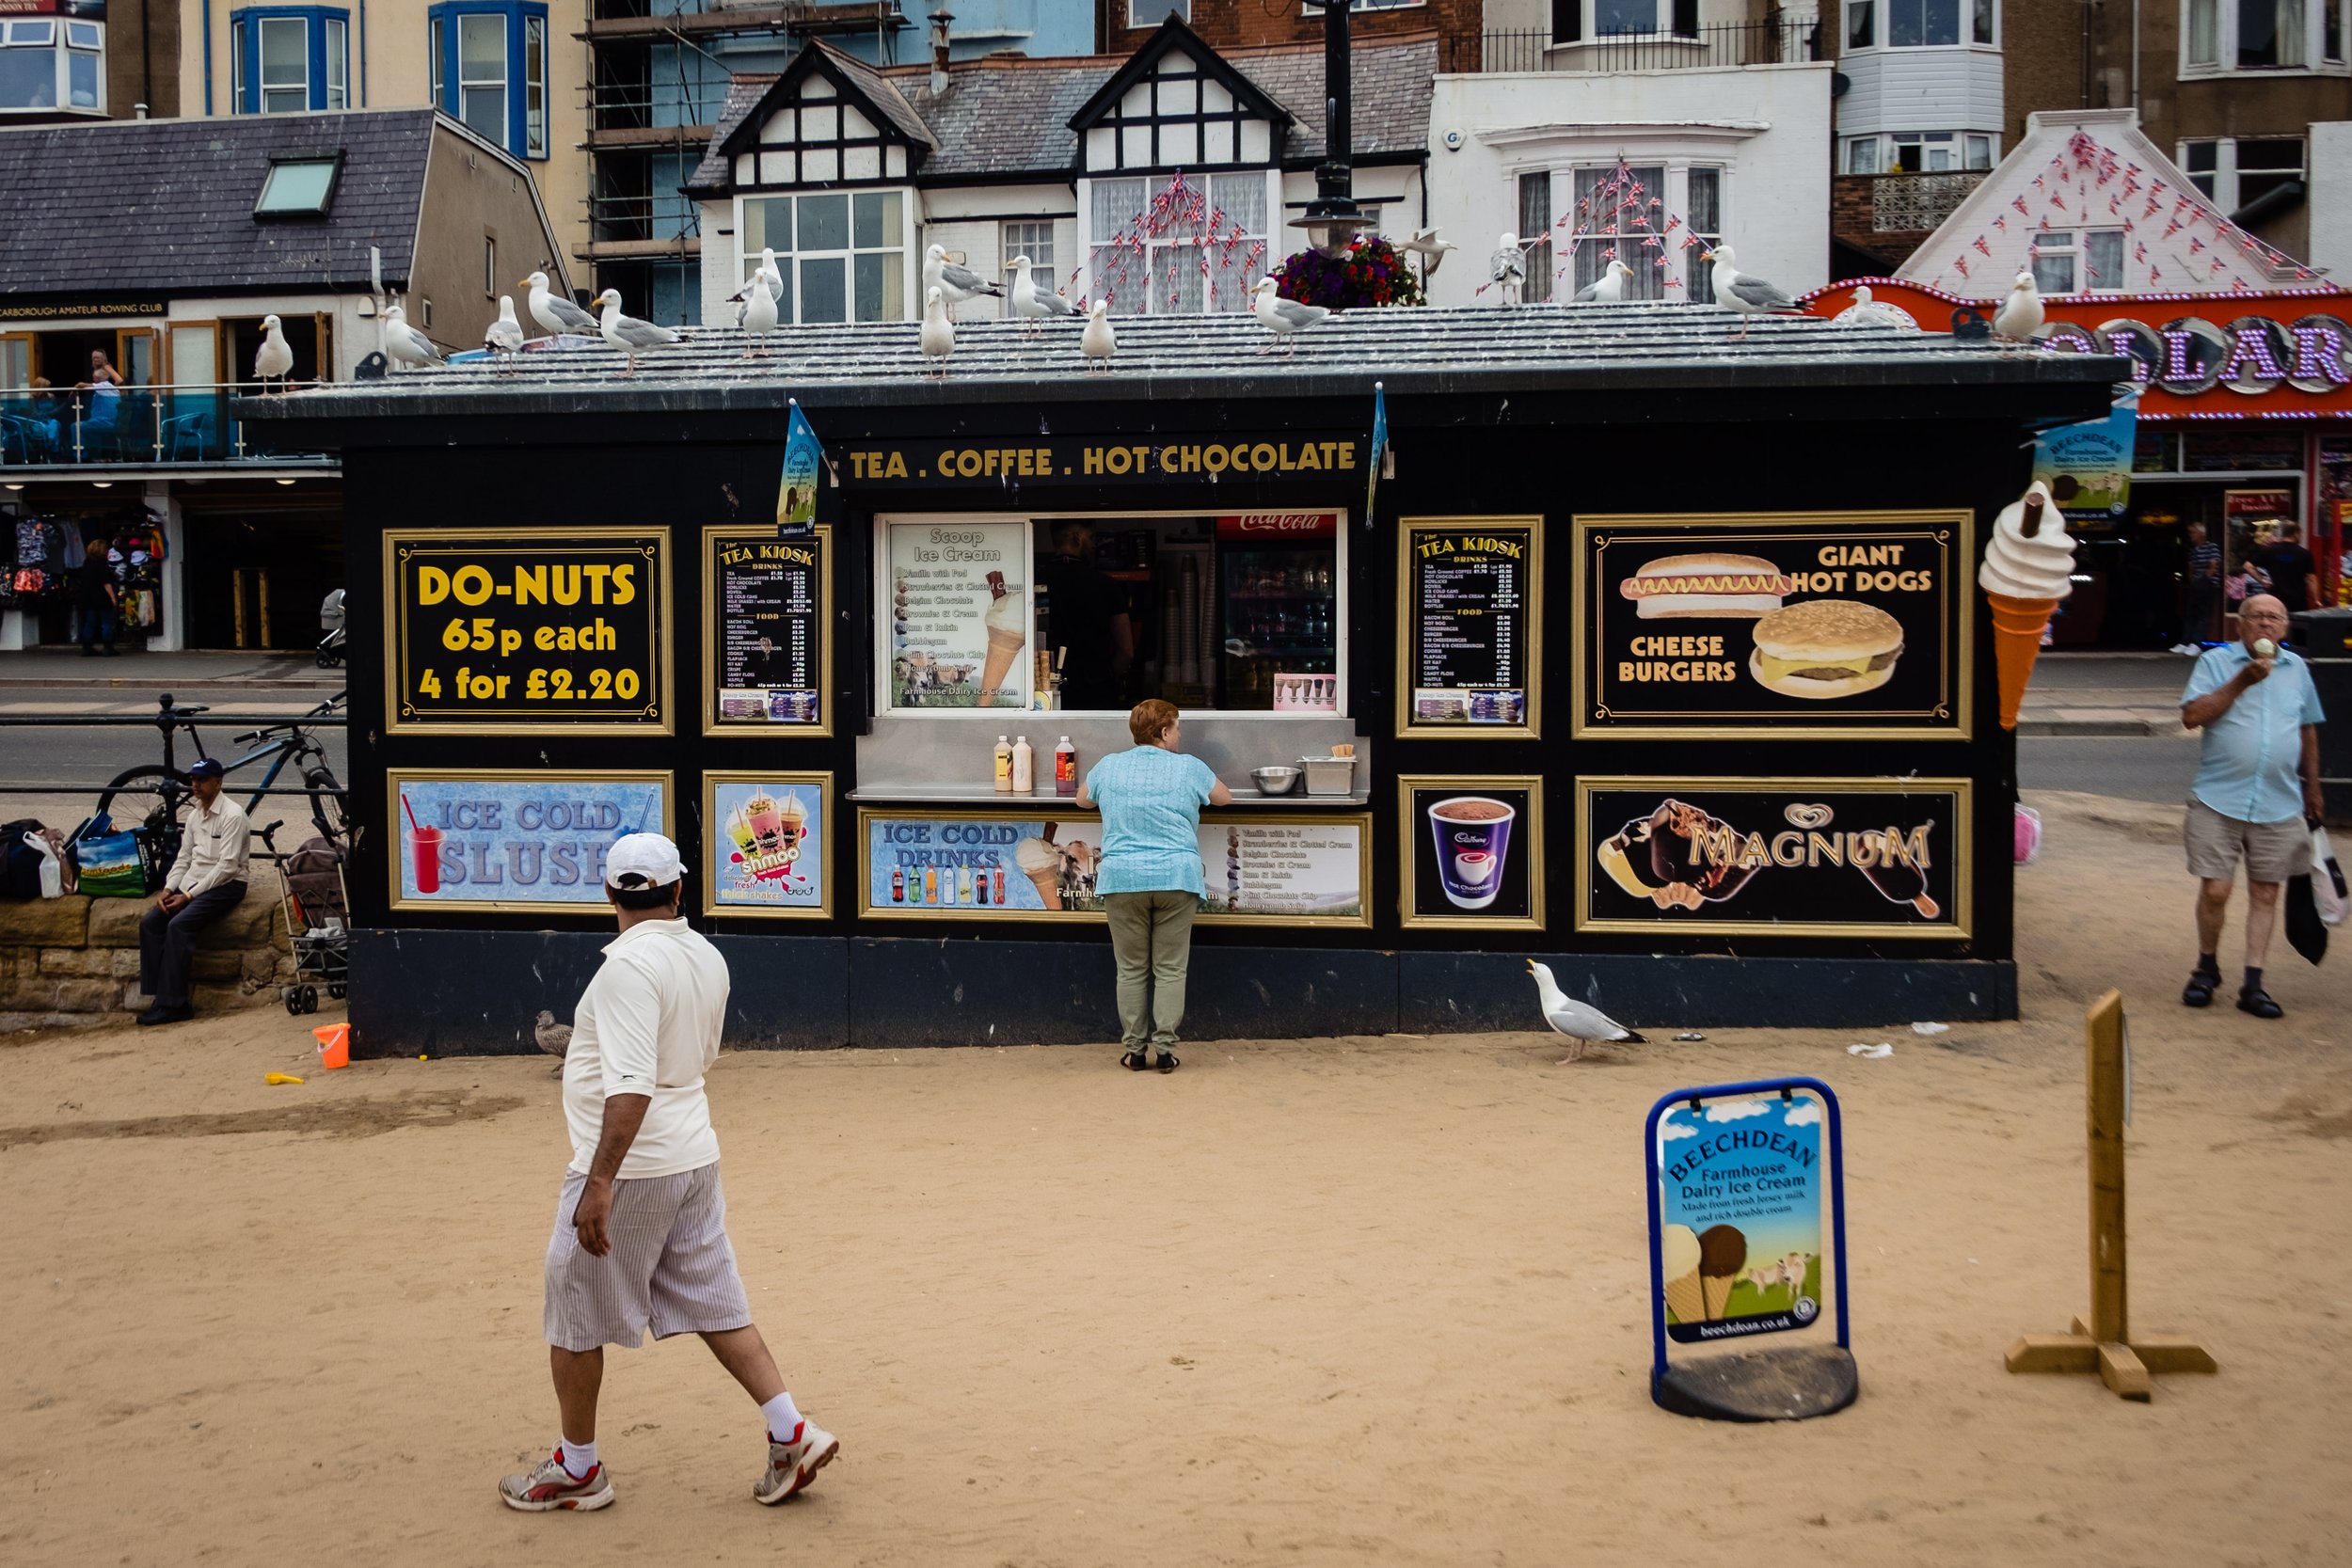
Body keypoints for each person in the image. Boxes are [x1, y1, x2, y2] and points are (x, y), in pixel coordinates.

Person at [501, 832, 839, 1514]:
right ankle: (791, 1431)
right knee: (715, 1299)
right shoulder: (704, 955)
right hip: (692, 1153)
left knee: (572, 1313)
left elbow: (630, 1090)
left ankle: (578, 1468)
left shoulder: (626, 970)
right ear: (678, 891)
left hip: (635, 1166)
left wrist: (598, 1183)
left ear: (609, 895)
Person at [2178, 594, 2327, 1020]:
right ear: (2239, 626)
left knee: (2266, 891)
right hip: (2218, 797)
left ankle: (2254, 983)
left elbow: (2308, 729)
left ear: (2283, 628)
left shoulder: (2297, 668)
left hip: (2280, 800)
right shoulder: (2215, 663)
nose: (2265, 624)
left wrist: (2313, 788)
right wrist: (2242, 681)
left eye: (2273, 618)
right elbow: (2192, 717)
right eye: (2256, 617)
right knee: (2216, 889)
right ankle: (2206, 967)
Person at [1075, 700, 1232, 1071]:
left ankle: (1134, 1051)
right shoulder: (1188, 767)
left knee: (1130, 969)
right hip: (1175, 878)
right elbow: (1225, 797)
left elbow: (1082, 799)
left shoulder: (1110, 765)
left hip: (1123, 879)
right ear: (1164, 732)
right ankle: (1164, 1051)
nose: (1179, 735)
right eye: (1176, 729)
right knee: (1170, 969)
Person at [135, 758, 250, 1025]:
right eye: (193, 780)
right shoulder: (195, 815)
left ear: (218, 783)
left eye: (202, 780)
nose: (195, 785)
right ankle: (161, 995)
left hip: (228, 885)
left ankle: (174, 1005)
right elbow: (184, 858)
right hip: (196, 882)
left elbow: (227, 867)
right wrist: (168, 888)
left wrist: (188, 896)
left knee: (179, 925)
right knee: (151, 923)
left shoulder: (232, 815)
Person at [1036, 519, 1134, 710]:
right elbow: (1126, 651)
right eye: (1091, 537)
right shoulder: (1105, 585)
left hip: (1042, 688)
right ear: (1077, 538)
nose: (1094, 544)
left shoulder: (1036, 581)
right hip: (1095, 687)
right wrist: (1108, 675)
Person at [2248, 523, 2317, 615]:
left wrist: (2262, 580)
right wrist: (2316, 599)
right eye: (2301, 534)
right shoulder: (2305, 554)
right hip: (2298, 601)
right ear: (2296, 533)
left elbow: (2248, 566)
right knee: (2296, 626)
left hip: (2275, 599)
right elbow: (2311, 579)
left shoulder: (2269, 551)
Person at [2175, 520, 2220, 654]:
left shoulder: (2212, 547)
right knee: (2190, 614)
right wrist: (2193, 581)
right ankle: (2185, 642)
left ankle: (2196, 643)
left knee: (2203, 615)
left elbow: (2214, 566)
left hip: (2208, 584)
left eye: (2193, 532)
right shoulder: (2194, 550)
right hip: (2196, 584)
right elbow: (2191, 568)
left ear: (2201, 534)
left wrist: (2203, 580)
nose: (2190, 535)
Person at [73, 531, 119, 656]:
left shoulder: (86, 562)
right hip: (101, 597)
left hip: (87, 597)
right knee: (106, 622)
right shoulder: (102, 564)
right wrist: (113, 597)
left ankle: (87, 647)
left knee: (89, 623)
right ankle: (108, 647)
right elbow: (106, 583)